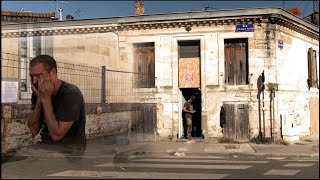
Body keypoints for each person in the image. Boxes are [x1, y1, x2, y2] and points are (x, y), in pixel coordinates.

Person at [27, 54, 86, 152]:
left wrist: (45, 100)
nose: (34, 81)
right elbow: (33, 130)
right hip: (46, 148)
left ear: (52, 73)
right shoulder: (39, 91)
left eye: (38, 76)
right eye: (31, 76)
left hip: (70, 151)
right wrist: (39, 99)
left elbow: (56, 135)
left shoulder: (70, 94)